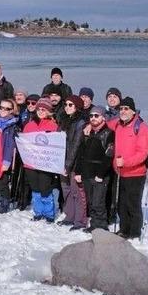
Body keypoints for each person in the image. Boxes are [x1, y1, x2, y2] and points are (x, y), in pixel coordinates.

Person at [111, 96, 148, 239]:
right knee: (121, 203)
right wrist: (89, 125)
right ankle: (124, 229)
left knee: (133, 204)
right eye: (121, 109)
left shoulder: (141, 127)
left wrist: (126, 162)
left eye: (126, 109)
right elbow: (105, 124)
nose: (123, 111)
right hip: (121, 173)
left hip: (136, 173)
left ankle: (135, 233)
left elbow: (143, 153)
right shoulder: (118, 124)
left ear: (133, 111)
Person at [74, 106, 115, 232]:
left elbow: (109, 155)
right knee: (91, 202)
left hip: (100, 174)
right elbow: (81, 153)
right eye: (91, 116)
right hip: (87, 173)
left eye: (96, 116)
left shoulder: (109, 133)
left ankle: (101, 226)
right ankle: (94, 225)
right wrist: (78, 171)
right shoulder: (87, 133)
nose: (93, 118)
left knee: (99, 202)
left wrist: (101, 174)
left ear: (103, 117)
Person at [23, 97, 59, 222]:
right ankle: (38, 212)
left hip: (46, 164)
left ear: (49, 111)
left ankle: (49, 213)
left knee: (45, 188)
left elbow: (56, 145)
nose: (41, 111)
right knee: (35, 188)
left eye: (44, 109)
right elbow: (24, 143)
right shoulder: (29, 125)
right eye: (39, 109)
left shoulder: (54, 126)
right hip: (31, 163)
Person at [59, 95, 87, 230]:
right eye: (66, 104)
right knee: (66, 190)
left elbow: (76, 145)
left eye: (71, 105)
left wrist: (68, 165)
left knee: (77, 192)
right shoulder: (64, 120)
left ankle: (80, 220)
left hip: (74, 163)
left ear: (77, 107)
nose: (67, 107)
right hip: (61, 160)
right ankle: (69, 216)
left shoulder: (81, 123)